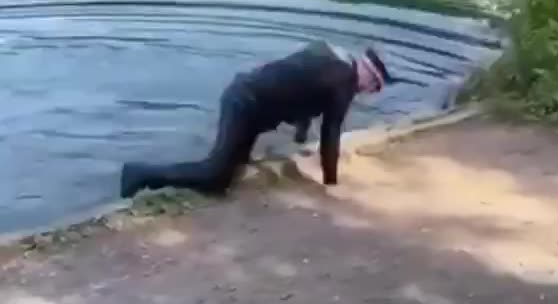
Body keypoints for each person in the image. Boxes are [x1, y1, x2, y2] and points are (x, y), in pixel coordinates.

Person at [119, 39, 395, 198]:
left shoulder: (329, 54)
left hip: (247, 98)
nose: (369, 92)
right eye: (374, 86)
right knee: (214, 174)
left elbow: (302, 85)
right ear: (369, 74)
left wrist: (300, 140)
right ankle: (140, 173)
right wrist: (331, 185)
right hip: (246, 104)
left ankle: (157, 180)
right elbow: (331, 131)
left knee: (226, 177)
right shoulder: (344, 81)